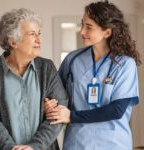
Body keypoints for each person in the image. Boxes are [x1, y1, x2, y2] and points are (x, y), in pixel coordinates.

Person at [44, 1, 141, 150]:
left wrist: (71, 116)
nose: (82, 31)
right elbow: (56, 94)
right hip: (77, 143)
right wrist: (49, 104)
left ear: (107, 32)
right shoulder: (72, 59)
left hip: (113, 144)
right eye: (82, 25)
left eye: (88, 27)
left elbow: (116, 110)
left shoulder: (125, 64)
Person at [0, 8, 68, 150]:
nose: (39, 40)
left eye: (38, 34)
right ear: (13, 42)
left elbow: (60, 109)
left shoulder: (47, 68)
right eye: (32, 34)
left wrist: (35, 146)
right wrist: (11, 147)